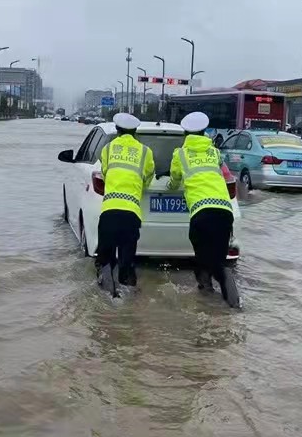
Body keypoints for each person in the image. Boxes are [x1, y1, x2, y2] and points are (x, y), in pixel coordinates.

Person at [167, 111, 241, 308]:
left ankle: (207, 292)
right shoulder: (215, 152)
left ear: (185, 133)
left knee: (201, 254)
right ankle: (229, 303)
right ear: (204, 132)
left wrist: (170, 187)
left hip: (201, 212)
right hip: (225, 211)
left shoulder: (180, 154)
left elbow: (174, 179)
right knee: (219, 256)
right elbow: (224, 175)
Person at [96, 112, 155, 297]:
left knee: (105, 261)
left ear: (117, 130)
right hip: (131, 214)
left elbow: (105, 173)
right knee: (127, 262)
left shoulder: (107, 149)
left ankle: (108, 301)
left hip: (109, 212)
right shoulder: (145, 152)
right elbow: (147, 180)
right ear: (136, 131)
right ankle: (128, 301)